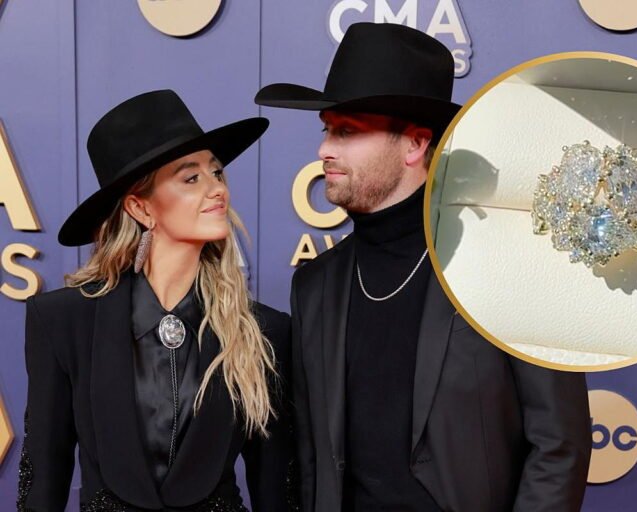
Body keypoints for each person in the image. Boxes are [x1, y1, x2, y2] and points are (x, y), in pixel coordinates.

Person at [255, 23, 592, 512]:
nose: (324, 149)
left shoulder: (509, 270)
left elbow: (559, 446)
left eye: (347, 131)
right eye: (326, 129)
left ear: (414, 145)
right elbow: (311, 459)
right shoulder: (315, 285)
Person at [17, 90, 294, 511]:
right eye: (191, 178)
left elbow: (276, 490)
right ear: (140, 208)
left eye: (217, 172)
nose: (217, 189)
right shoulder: (63, 320)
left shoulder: (264, 332)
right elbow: (43, 481)